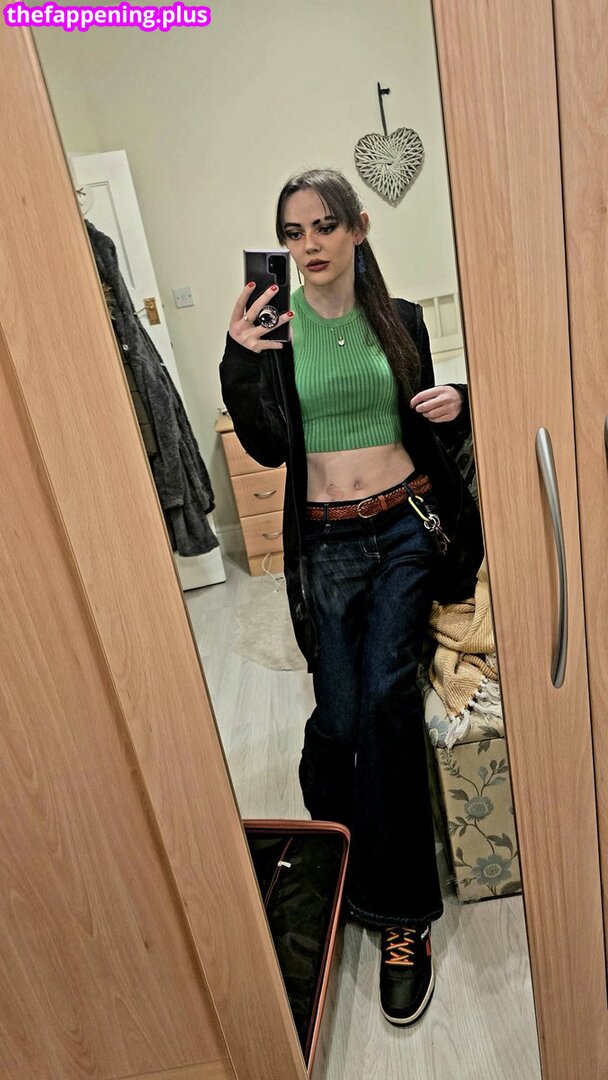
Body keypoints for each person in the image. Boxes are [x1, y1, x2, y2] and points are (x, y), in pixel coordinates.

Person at [220, 168, 482, 1026]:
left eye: (325, 226)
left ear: (359, 227)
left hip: (405, 527)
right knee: (338, 717)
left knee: (384, 703)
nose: (309, 246)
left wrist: (460, 403)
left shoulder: (399, 320)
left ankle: (401, 915)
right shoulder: (279, 334)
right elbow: (266, 447)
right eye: (293, 233)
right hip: (328, 543)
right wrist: (240, 357)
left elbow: (431, 417)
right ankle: (335, 825)